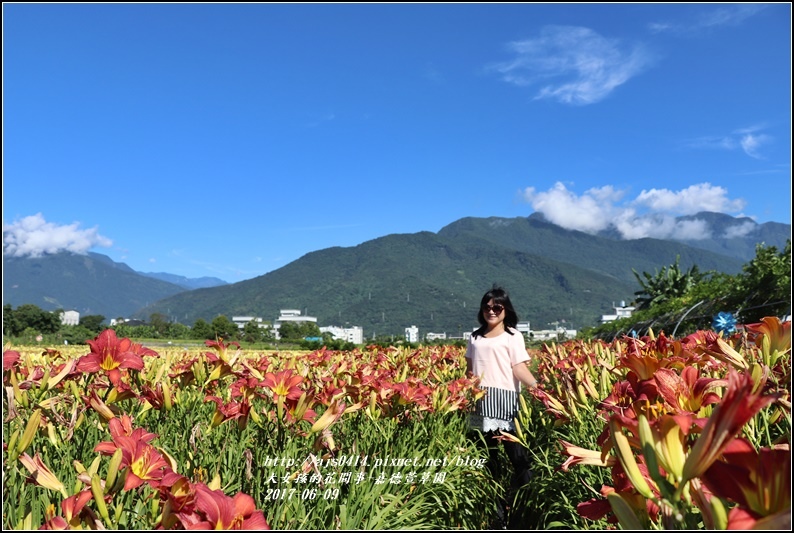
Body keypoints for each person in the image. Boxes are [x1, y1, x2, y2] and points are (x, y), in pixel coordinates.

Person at [465, 286, 538, 529]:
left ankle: (526, 510)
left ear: (505, 309)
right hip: (478, 404)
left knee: (519, 459)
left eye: (497, 307)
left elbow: (518, 368)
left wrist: (539, 388)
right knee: (488, 462)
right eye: (487, 307)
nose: (491, 311)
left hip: (506, 403)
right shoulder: (474, 337)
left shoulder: (513, 336)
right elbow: (469, 371)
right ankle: (497, 519)